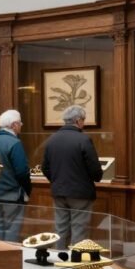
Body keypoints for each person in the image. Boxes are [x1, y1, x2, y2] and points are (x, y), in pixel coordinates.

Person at [42, 104, 103, 249]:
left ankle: (60, 258)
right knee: (79, 230)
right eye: (83, 119)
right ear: (77, 121)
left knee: (61, 228)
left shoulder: (52, 139)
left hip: (59, 192)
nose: (84, 123)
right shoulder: (83, 140)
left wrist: (56, 180)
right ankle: (76, 263)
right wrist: (97, 177)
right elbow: (94, 168)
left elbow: (45, 168)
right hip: (80, 193)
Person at [0, 109, 32, 242]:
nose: (21, 125)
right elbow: (22, 172)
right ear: (13, 125)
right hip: (13, 195)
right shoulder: (14, 143)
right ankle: (9, 257)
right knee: (12, 229)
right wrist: (27, 191)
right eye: (19, 122)